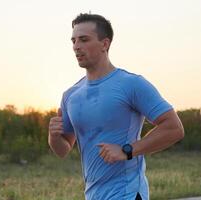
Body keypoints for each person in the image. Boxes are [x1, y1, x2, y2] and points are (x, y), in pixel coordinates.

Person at [48, 13, 184, 200]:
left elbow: (174, 128)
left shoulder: (131, 84)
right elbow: (63, 149)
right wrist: (53, 136)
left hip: (126, 193)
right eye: (73, 41)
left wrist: (127, 150)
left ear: (105, 44)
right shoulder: (71, 95)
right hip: (93, 195)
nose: (76, 47)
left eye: (84, 40)